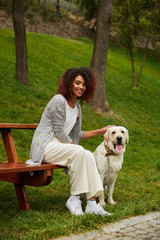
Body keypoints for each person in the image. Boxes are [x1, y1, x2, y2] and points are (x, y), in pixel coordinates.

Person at [26, 67, 114, 216]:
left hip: (62, 146)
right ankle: (74, 199)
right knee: (81, 151)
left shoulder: (77, 107)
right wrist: (73, 146)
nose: (81, 87)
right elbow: (59, 130)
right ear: (69, 83)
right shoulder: (58, 100)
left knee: (86, 154)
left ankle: (91, 203)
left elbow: (76, 134)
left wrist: (102, 130)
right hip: (46, 146)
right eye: (77, 83)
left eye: (84, 84)